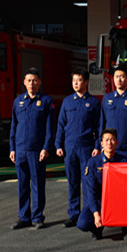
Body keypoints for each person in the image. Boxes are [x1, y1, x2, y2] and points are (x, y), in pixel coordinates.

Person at [9, 67, 55, 230]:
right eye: (29, 80)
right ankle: (24, 217)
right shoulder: (18, 101)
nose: (31, 83)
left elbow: (50, 128)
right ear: (24, 82)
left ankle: (37, 217)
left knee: (37, 184)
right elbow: (14, 126)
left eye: (35, 80)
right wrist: (12, 148)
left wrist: (46, 147)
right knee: (22, 185)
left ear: (39, 82)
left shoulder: (46, 101)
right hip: (20, 149)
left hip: (37, 151)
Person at [55, 68, 100, 228]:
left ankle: (88, 213)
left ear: (86, 82)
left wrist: (97, 146)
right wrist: (58, 144)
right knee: (72, 181)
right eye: (74, 80)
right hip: (70, 147)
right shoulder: (67, 102)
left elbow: (99, 127)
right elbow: (61, 124)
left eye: (79, 80)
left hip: (86, 147)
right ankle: (73, 214)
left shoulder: (94, 103)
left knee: (88, 182)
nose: (76, 83)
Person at [76, 128, 127, 241]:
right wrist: (96, 214)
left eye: (112, 140)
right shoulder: (93, 162)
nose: (109, 143)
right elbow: (91, 190)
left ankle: (126, 230)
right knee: (82, 223)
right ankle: (97, 229)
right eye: (106, 140)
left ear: (117, 143)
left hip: (116, 201)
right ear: (102, 143)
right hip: (99, 201)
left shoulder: (123, 161)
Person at [100, 64, 127, 162]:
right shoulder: (107, 98)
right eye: (116, 77)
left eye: (122, 76)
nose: (119, 80)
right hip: (109, 148)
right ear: (113, 78)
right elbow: (101, 123)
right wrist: (100, 145)